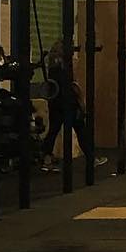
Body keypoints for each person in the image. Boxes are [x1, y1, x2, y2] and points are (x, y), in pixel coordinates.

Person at [40, 40, 100, 172]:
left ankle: (46, 158)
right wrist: (79, 103)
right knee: (80, 129)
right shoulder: (63, 67)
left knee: (54, 130)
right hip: (66, 102)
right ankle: (90, 158)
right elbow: (70, 85)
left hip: (56, 102)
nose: (73, 51)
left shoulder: (54, 65)